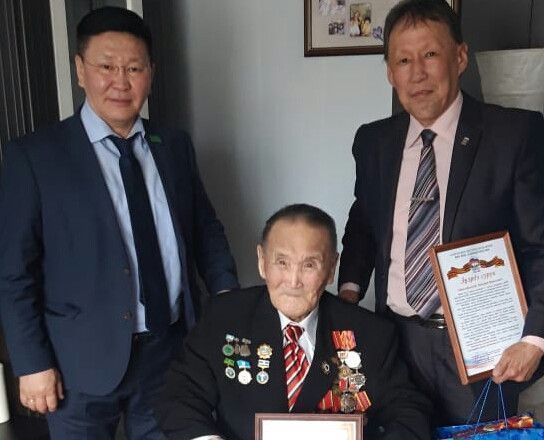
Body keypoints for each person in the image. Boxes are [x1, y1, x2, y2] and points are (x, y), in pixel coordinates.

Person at [0, 6, 239, 439]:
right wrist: (32, 363)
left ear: (151, 73)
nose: (120, 82)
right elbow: (13, 272)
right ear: (80, 70)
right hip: (77, 364)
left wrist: (227, 303)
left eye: (134, 68)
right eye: (106, 67)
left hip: (169, 352)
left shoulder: (173, 146)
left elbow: (206, 232)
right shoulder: (35, 157)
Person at [338, 0, 544, 425]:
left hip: (481, 349)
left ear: (460, 57)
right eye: (403, 60)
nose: (417, 73)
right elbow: (365, 222)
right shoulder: (373, 142)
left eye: (430, 54)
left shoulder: (514, 135)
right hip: (394, 342)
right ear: (390, 72)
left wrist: (535, 339)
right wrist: (348, 296)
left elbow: (539, 246)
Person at [156, 204, 431, 440]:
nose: (293, 281)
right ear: (262, 262)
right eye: (282, 263)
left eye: (309, 265)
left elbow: (409, 411)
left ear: (331, 268)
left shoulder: (370, 333)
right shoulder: (225, 317)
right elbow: (178, 396)